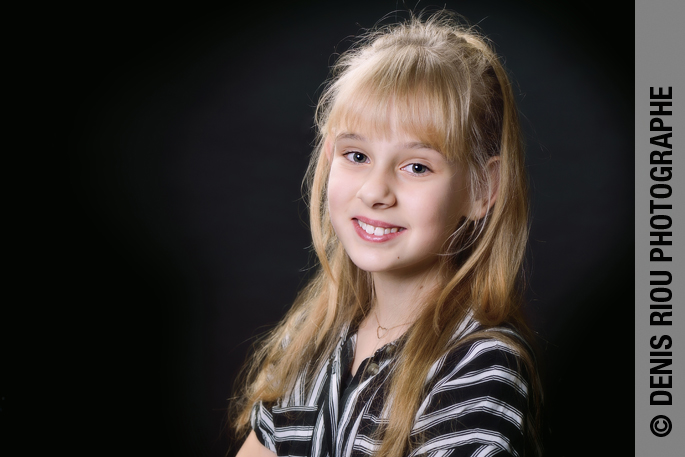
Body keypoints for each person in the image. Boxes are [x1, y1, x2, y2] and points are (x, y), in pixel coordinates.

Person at [233, 11, 542, 457]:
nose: (375, 191)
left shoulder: (480, 369)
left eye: (416, 166)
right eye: (356, 155)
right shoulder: (310, 340)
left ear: (481, 189)